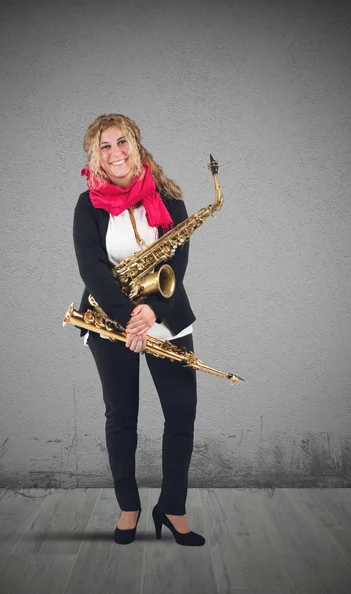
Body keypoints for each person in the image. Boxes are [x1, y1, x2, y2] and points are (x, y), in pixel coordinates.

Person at [72, 113, 205, 546]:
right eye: (105, 147)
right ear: (96, 157)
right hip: (110, 322)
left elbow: (178, 260)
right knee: (121, 416)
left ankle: (172, 508)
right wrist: (130, 316)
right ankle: (129, 506)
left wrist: (154, 311)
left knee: (181, 414)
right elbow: (92, 270)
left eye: (122, 141)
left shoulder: (168, 195)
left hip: (165, 317)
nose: (116, 153)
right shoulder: (87, 205)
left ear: (136, 143)